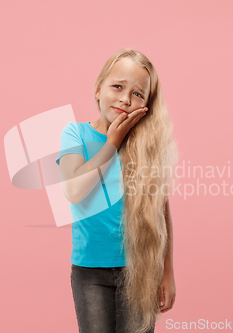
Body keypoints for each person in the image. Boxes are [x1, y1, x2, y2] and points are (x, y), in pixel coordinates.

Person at [55, 48, 178, 333]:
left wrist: (167, 273)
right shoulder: (76, 134)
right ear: (99, 90)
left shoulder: (147, 146)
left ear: (147, 104)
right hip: (90, 272)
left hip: (141, 270)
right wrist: (112, 143)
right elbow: (74, 191)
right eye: (118, 87)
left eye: (137, 94)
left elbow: (161, 214)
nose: (125, 99)